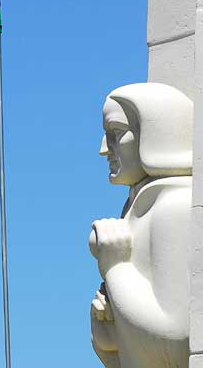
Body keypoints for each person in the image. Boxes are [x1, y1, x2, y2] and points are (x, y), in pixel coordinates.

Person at [89, 83, 192, 368]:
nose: (103, 149)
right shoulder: (141, 209)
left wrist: (116, 267)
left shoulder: (174, 207)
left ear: (154, 133)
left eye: (115, 134)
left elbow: (177, 339)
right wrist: (107, 329)